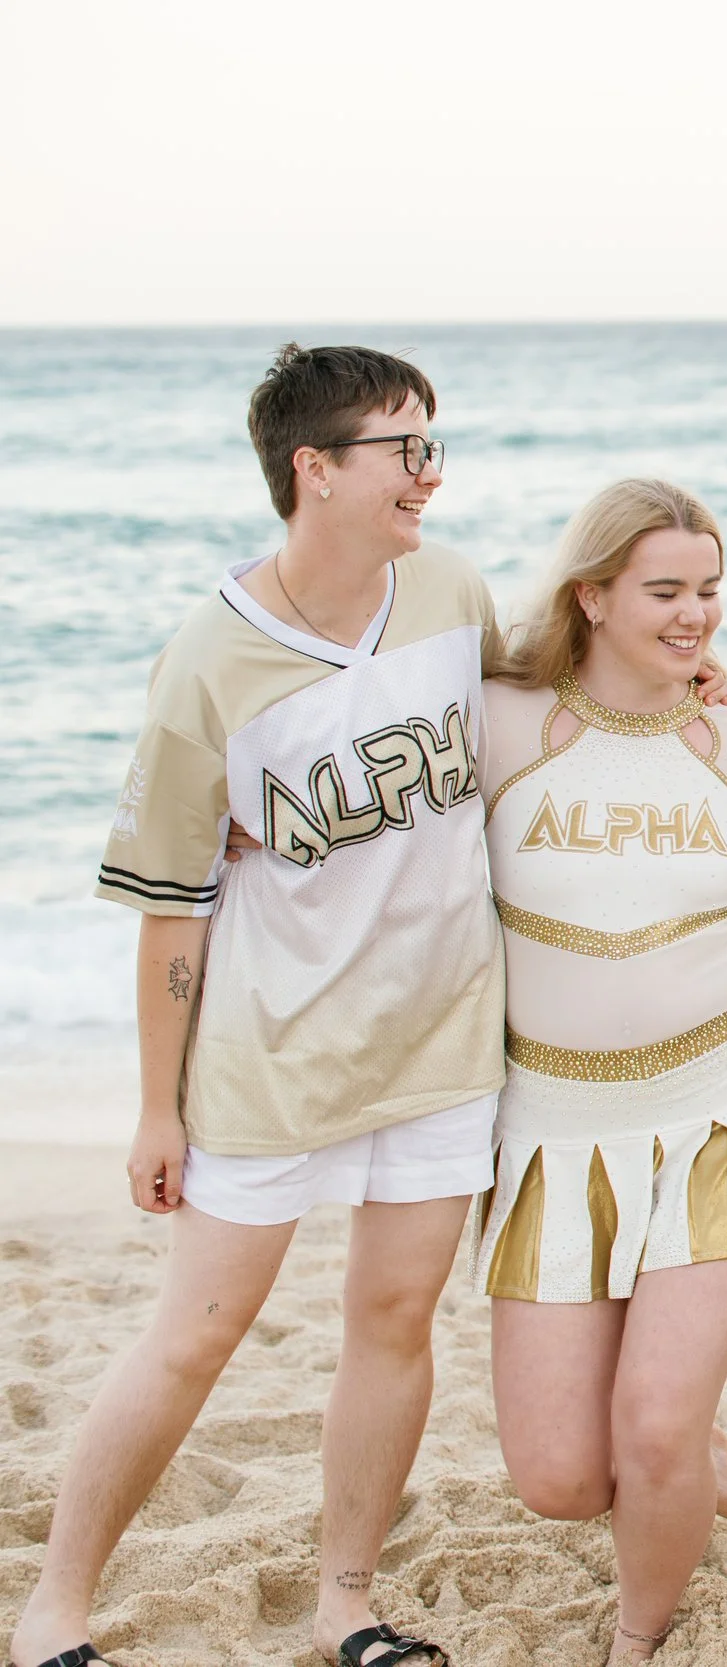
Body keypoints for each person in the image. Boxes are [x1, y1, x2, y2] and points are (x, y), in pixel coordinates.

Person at [12, 345, 499, 1667]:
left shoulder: (452, 591)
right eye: (405, 448)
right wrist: (154, 1107)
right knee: (197, 1334)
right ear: (315, 467)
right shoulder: (208, 664)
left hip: (442, 1040)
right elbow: (171, 904)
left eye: (433, 444)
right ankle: (54, 1605)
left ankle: (349, 1600)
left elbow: (531, 727)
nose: (430, 473)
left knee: (394, 1320)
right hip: (269, 1060)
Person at [470, 479, 727, 1663]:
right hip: (549, 1133)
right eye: (664, 590)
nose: (695, 614)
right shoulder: (499, 721)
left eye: (708, 589)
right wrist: (245, 829)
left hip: (718, 1117)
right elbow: (371, 805)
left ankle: (638, 1634)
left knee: (649, 1430)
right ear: (591, 595)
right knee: (559, 1479)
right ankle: (704, 1458)